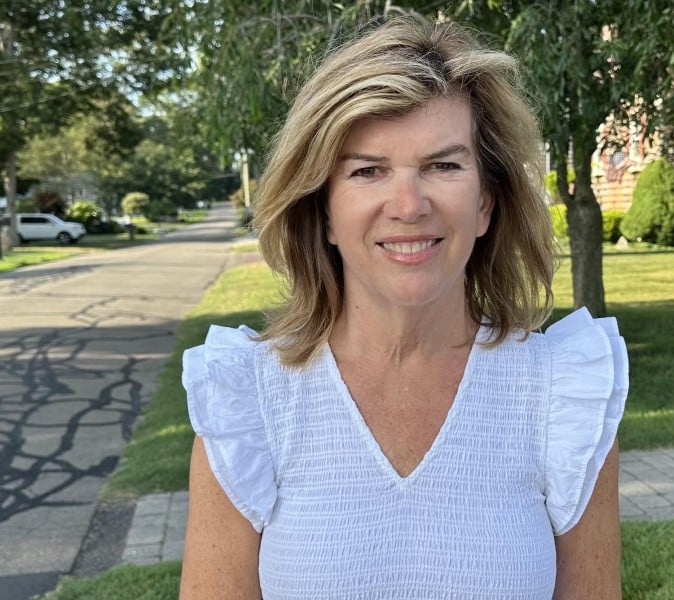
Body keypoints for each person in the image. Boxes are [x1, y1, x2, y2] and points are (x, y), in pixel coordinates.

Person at [180, 14, 627, 600]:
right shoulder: (249, 405)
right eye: (369, 171)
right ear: (325, 212)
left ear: (486, 204)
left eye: (443, 165)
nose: (409, 204)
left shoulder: (562, 397)